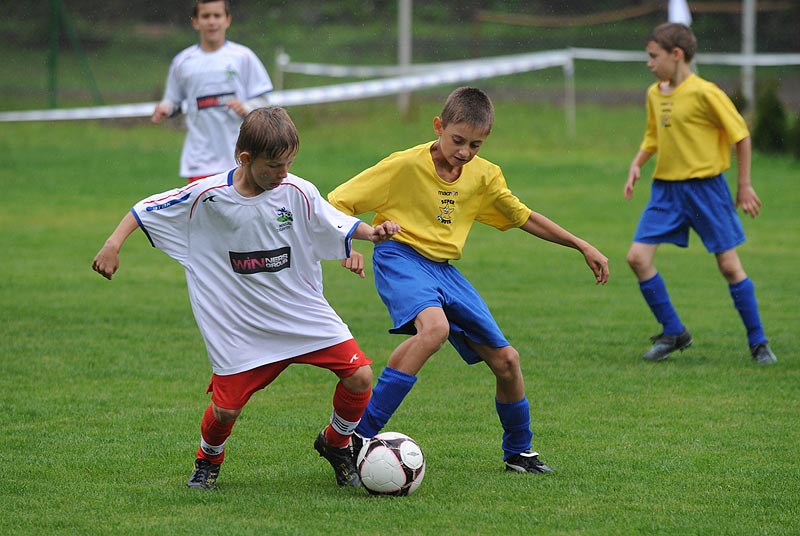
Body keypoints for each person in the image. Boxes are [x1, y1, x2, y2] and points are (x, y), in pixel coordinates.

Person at [92, 107, 401, 490]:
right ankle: (208, 460)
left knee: (360, 376)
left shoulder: (298, 191)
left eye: (289, 163)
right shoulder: (206, 197)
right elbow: (145, 209)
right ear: (245, 158)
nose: (283, 173)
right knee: (225, 410)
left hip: (301, 313)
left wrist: (372, 234)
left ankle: (336, 444)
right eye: (274, 165)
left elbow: (332, 221)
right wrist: (113, 244)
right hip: (241, 327)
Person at [328, 87, 610, 474]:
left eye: (475, 145)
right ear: (438, 126)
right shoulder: (403, 166)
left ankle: (519, 452)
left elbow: (524, 217)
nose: (464, 151)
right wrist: (346, 245)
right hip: (400, 257)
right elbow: (337, 201)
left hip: (445, 270)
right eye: (458, 140)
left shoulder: (484, 176)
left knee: (507, 361)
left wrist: (580, 244)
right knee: (435, 329)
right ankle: (359, 436)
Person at [624, 22, 777, 365]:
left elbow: (741, 136)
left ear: (676, 54)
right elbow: (653, 136)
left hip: (707, 190)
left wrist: (744, 184)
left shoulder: (706, 93)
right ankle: (674, 331)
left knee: (729, 266)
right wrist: (637, 163)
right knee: (637, 258)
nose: (649, 63)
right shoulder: (654, 94)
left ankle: (759, 342)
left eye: (654, 56)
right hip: (666, 191)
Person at [152, 0, 273, 182]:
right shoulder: (182, 62)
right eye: (206, 16)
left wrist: (247, 107)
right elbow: (172, 100)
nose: (211, 22)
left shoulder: (244, 57)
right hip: (200, 160)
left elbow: (264, 102)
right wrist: (165, 108)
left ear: (227, 20)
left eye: (217, 16)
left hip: (240, 157)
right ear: (195, 21)